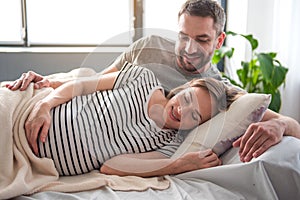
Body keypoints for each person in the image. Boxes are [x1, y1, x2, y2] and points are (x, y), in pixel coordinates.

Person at [6, 0, 300, 163]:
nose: (188, 48)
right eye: (184, 36)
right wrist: (47, 85)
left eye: (202, 40)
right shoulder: (150, 46)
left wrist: (280, 124)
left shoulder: (220, 92)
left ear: (219, 40)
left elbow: (291, 124)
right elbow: (98, 81)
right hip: (60, 111)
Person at [27, 62, 243, 177]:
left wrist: (178, 165)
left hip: (32, 162)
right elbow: (83, 85)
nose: (181, 111)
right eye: (186, 99)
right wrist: (44, 105)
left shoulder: (169, 145)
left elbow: (110, 166)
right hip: (29, 112)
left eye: (194, 115)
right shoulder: (141, 77)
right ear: (185, 87)